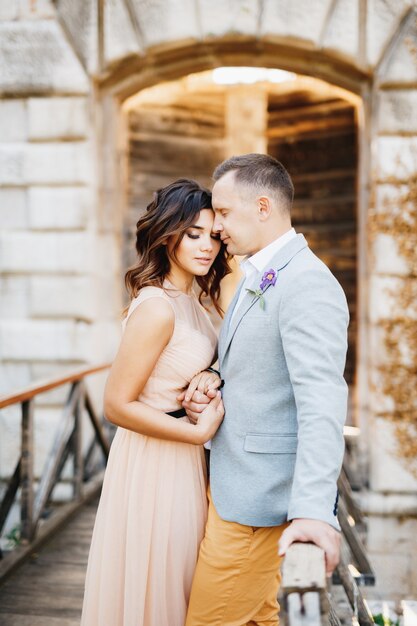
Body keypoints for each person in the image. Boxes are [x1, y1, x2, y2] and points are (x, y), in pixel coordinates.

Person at [180, 154, 349, 626]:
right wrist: (214, 375)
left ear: (262, 206)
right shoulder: (259, 273)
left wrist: (314, 512)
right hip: (235, 485)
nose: (217, 229)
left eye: (225, 214)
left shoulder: (307, 283)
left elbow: (322, 403)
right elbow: (258, 360)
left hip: (260, 504)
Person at [80, 179, 230, 626]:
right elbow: (116, 405)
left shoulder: (193, 303)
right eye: (193, 234)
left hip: (183, 457)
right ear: (167, 235)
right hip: (154, 460)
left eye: (214, 236)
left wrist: (212, 372)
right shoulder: (157, 307)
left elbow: (205, 357)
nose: (207, 247)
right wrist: (196, 432)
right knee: (158, 580)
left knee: (179, 580)